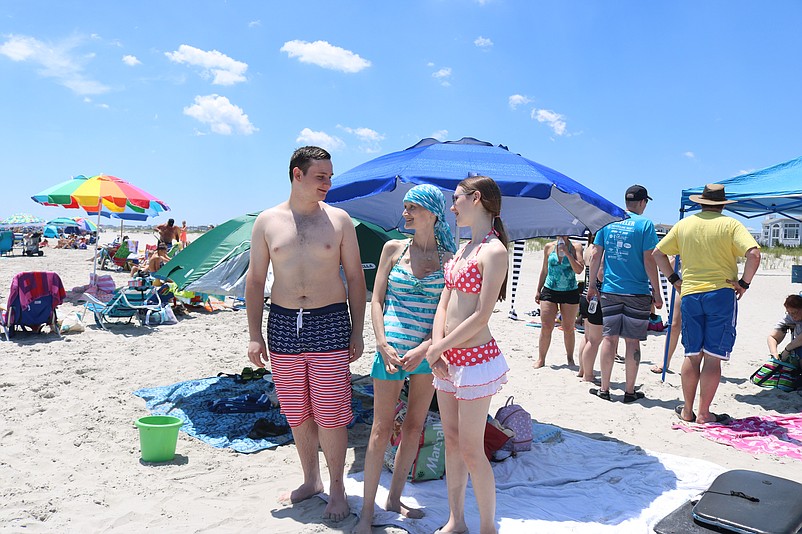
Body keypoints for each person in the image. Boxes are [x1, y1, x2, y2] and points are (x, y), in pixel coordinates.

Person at [245, 146, 366, 521]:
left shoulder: (340, 220)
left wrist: (357, 331)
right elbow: (254, 280)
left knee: (331, 414)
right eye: (320, 177)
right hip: (281, 322)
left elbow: (357, 279)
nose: (328, 183)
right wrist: (253, 333)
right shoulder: (267, 221)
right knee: (297, 413)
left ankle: (337, 489)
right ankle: (310, 480)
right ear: (297, 175)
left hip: (329, 320)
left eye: (330, 176)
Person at [354, 184, 456, 534]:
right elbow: (377, 299)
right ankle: (366, 513)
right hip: (392, 350)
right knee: (381, 429)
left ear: (432, 212)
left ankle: (394, 498)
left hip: (428, 352)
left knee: (414, 426)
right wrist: (381, 342)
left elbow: (452, 313)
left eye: (413, 207)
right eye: (406, 207)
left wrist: (429, 346)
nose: (406, 214)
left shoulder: (449, 259)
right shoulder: (393, 248)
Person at [425, 176, 510, 534]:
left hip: (475, 361)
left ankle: (487, 527)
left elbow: (481, 315)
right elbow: (445, 301)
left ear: (476, 199)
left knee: (473, 449)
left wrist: (437, 347)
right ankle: (456, 520)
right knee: (453, 442)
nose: (452, 206)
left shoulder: (495, 251)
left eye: (456, 199)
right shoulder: (463, 250)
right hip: (448, 360)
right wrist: (435, 345)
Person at [654, 183, 760, 424]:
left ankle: (687, 410)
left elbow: (658, 254)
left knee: (692, 354)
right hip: (721, 293)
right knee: (713, 357)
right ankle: (704, 413)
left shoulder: (684, 225)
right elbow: (753, 254)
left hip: (690, 293)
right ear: (722, 205)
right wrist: (744, 283)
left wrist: (674, 279)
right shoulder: (731, 224)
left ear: (700, 202)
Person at [587, 185, 663, 403]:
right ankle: (629, 392)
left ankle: (604, 389)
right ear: (642, 203)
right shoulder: (645, 224)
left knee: (609, 338)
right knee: (632, 342)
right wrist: (657, 292)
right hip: (637, 292)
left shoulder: (608, 220)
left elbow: (595, 255)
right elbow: (650, 260)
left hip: (610, 289)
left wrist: (592, 285)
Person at [534, 235, 584, 368]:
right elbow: (544, 269)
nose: (561, 235)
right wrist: (539, 289)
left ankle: (570, 358)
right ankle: (541, 359)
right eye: (558, 232)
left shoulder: (576, 247)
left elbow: (579, 270)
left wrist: (567, 253)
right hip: (550, 289)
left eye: (564, 232)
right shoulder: (549, 247)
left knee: (568, 328)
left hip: (570, 291)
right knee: (546, 326)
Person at [577, 233, 603, 383]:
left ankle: (582, 370)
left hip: (585, 297)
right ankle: (588, 375)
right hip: (596, 298)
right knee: (594, 340)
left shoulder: (588, 248)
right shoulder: (599, 251)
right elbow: (600, 275)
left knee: (587, 337)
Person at [768, 294, 802, 361]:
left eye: (795, 312)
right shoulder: (790, 317)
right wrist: (774, 354)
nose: (793, 316)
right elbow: (773, 337)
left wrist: (787, 349)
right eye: (789, 313)